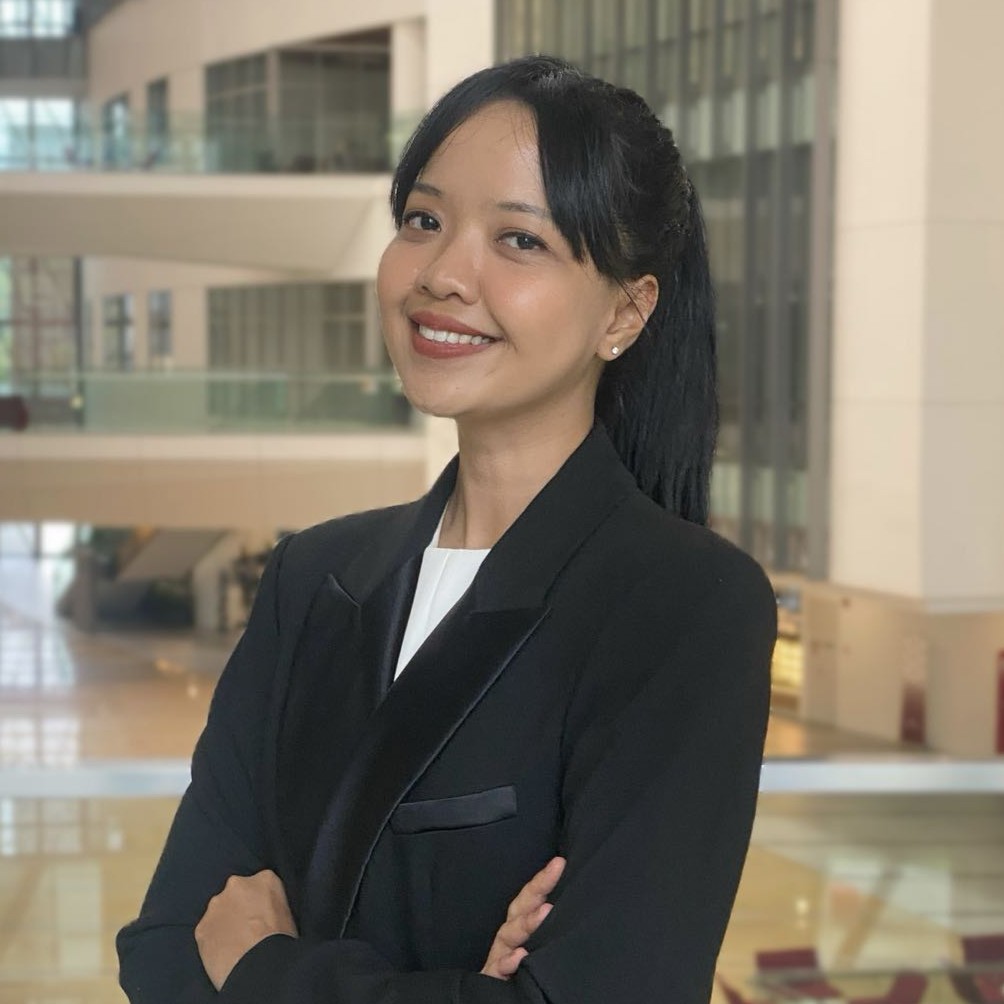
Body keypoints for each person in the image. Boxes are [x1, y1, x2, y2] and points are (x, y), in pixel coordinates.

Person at [117, 54, 777, 1004]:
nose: (442, 275)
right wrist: (454, 979)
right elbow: (163, 951)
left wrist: (268, 963)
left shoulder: (683, 607)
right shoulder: (317, 575)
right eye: (424, 221)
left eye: (519, 241)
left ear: (626, 312)